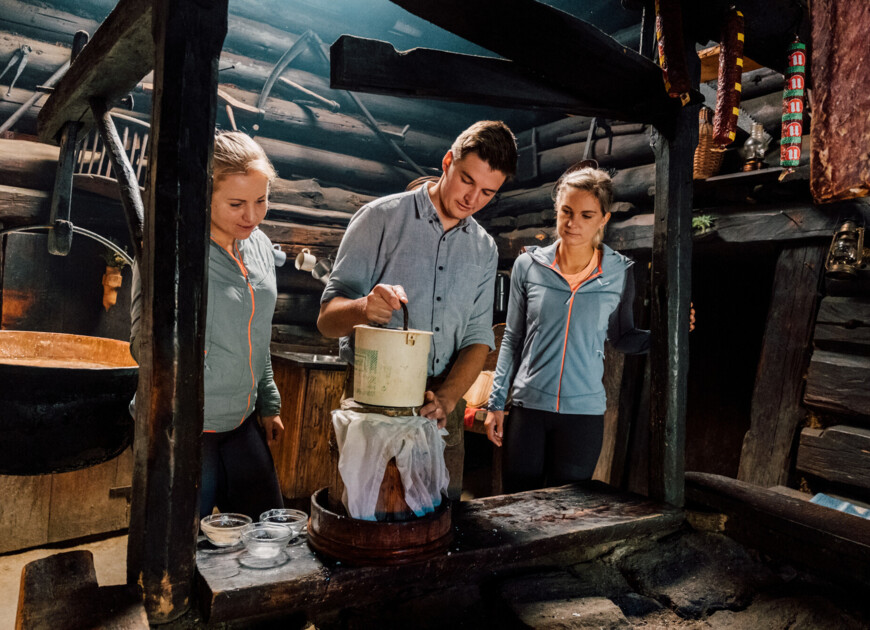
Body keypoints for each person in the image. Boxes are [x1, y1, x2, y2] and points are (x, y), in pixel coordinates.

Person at [317, 120, 518, 499]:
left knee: (440, 523)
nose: (472, 199)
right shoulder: (379, 218)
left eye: (488, 192)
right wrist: (362, 307)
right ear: (447, 162)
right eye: (466, 180)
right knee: (363, 519)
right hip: (372, 400)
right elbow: (327, 321)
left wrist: (448, 398)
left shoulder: (484, 248)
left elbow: (478, 339)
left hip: (443, 404)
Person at [484, 166, 694, 492]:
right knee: (516, 508)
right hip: (528, 410)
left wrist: (671, 334)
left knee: (566, 514)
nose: (573, 223)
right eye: (566, 211)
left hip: (583, 417)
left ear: (603, 220)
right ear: (557, 209)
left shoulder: (618, 273)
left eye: (586, 215)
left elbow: (622, 337)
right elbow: (512, 337)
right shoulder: (528, 265)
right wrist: (496, 403)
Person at [130, 131, 285, 520]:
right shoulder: (173, 250)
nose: (252, 216)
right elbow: (142, 343)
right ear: (204, 195)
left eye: (261, 201)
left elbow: (257, 334)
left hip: (243, 420)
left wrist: (269, 402)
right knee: (180, 549)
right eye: (236, 204)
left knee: (267, 534)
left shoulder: (260, 246)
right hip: (185, 426)